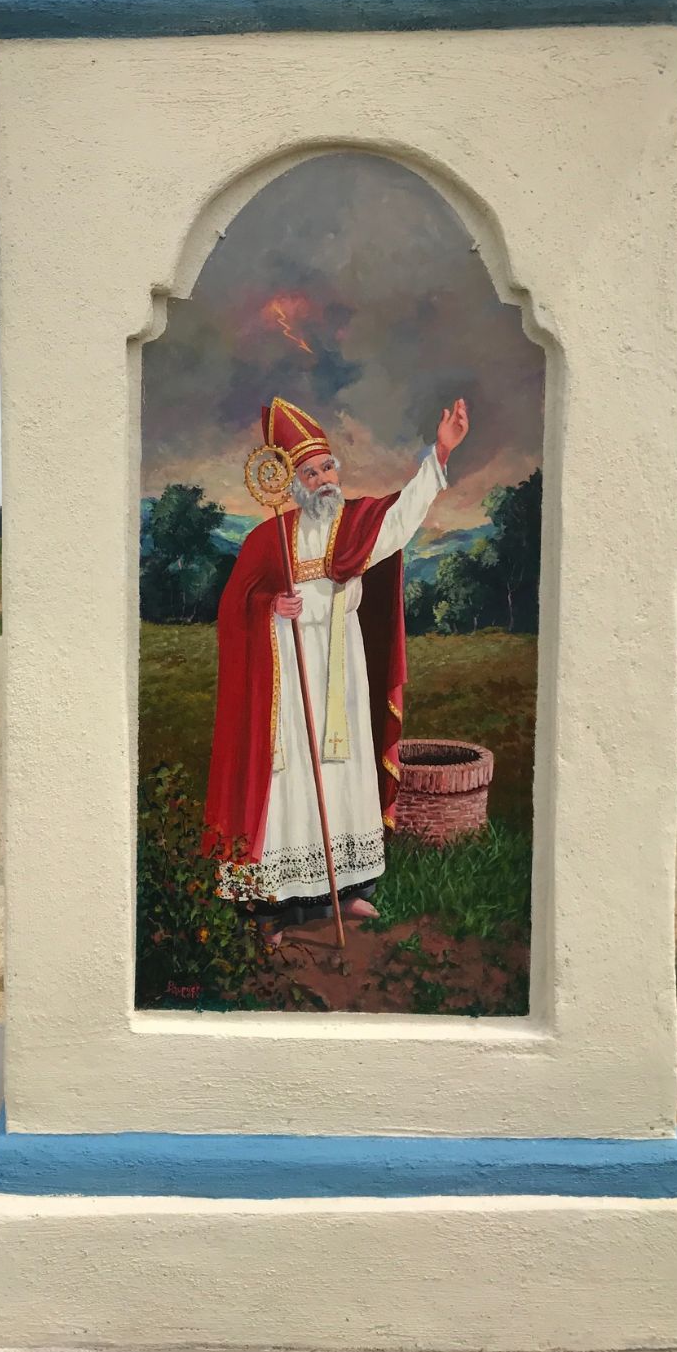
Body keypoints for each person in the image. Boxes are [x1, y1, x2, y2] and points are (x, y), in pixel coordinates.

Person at [205, 395, 469, 943]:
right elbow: (234, 607)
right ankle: (271, 909)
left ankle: (346, 891)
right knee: (292, 779)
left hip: (341, 672)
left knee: (342, 776)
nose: (325, 479)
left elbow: (401, 518)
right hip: (285, 676)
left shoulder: (354, 524)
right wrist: (270, 607)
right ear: (292, 483)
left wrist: (440, 453)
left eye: (328, 468)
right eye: (312, 472)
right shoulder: (266, 538)